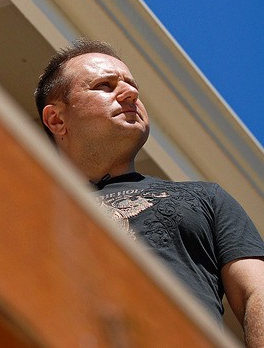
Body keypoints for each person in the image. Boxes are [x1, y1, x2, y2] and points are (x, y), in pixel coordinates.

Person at [34, 38, 264, 346]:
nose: (130, 92)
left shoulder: (206, 198)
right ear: (57, 119)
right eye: (104, 85)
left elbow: (256, 291)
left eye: (131, 84)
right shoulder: (26, 210)